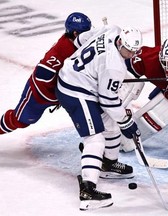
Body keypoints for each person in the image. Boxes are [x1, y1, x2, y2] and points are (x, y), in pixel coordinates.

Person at [55, 25, 142, 210]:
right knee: (95, 139)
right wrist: (127, 123)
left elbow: (81, 39)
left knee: (110, 124)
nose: (131, 55)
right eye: (128, 50)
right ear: (120, 42)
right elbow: (108, 100)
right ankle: (88, 191)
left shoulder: (113, 29)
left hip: (79, 80)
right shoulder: (114, 65)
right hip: (75, 90)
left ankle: (108, 164)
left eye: (134, 52)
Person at [0, 12, 92, 153]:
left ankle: (94, 147)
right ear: (76, 34)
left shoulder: (78, 43)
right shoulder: (61, 51)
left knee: (88, 113)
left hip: (64, 94)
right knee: (21, 120)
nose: (89, 35)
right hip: (39, 95)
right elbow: (42, 73)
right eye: (86, 32)